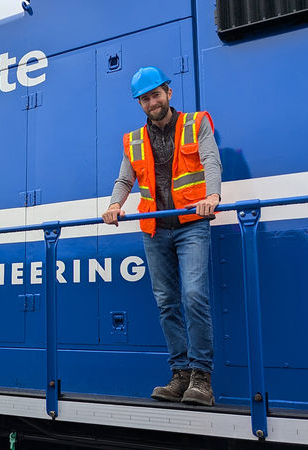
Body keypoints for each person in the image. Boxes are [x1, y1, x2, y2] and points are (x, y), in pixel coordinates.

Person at [102, 66, 221, 406]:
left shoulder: (196, 124)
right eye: (144, 98)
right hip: (155, 230)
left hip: (191, 224)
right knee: (166, 302)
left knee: (194, 295)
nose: (151, 102)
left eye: (156, 94)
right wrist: (114, 205)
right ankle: (180, 374)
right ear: (139, 104)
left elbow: (211, 160)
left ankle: (202, 378)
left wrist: (212, 196)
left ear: (169, 93)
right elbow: (125, 180)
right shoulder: (134, 140)